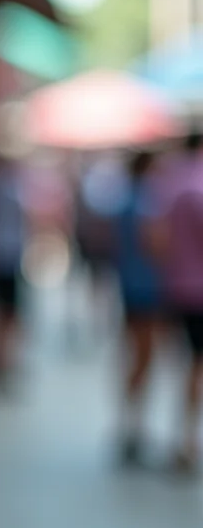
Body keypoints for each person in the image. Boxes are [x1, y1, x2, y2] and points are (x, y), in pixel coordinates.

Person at [148, 131, 203, 476]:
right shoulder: (195, 186)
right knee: (195, 367)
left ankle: (182, 437)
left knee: (184, 366)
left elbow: (154, 241)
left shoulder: (167, 184)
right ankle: (186, 441)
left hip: (174, 287)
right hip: (197, 292)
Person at [112, 150, 162, 466]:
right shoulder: (147, 202)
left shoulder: (126, 200)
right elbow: (154, 244)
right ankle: (134, 427)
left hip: (129, 284)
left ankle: (131, 424)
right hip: (146, 288)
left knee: (135, 356)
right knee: (144, 358)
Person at [0, 160, 25, 390]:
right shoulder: (8, 190)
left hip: (1, 258)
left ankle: (1, 364)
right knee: (7, 317)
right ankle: (2, 364)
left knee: (2, 317)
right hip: (6, 259)